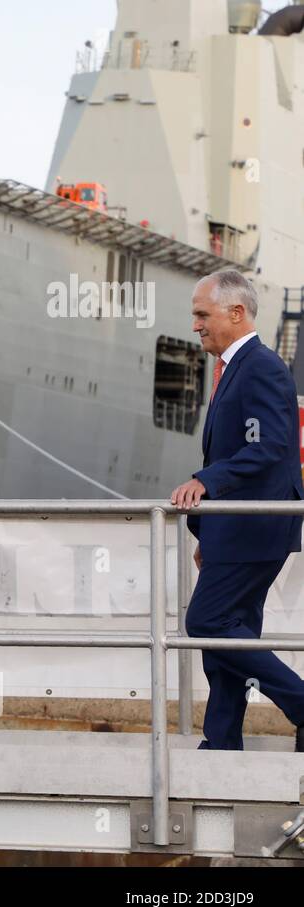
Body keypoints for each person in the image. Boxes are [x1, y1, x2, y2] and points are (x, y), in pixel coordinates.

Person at [171, 269, 304, 752]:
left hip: (256, 527)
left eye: (202, 314)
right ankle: (221, 742)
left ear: (236, 312)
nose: (196, 325)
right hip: (237, 529)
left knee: (207, 622)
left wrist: (205, 481)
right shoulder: (235, 368)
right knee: (232, 635)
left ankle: (301, 704)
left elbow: (268, 446)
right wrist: (209, 533)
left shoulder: (261, 367)